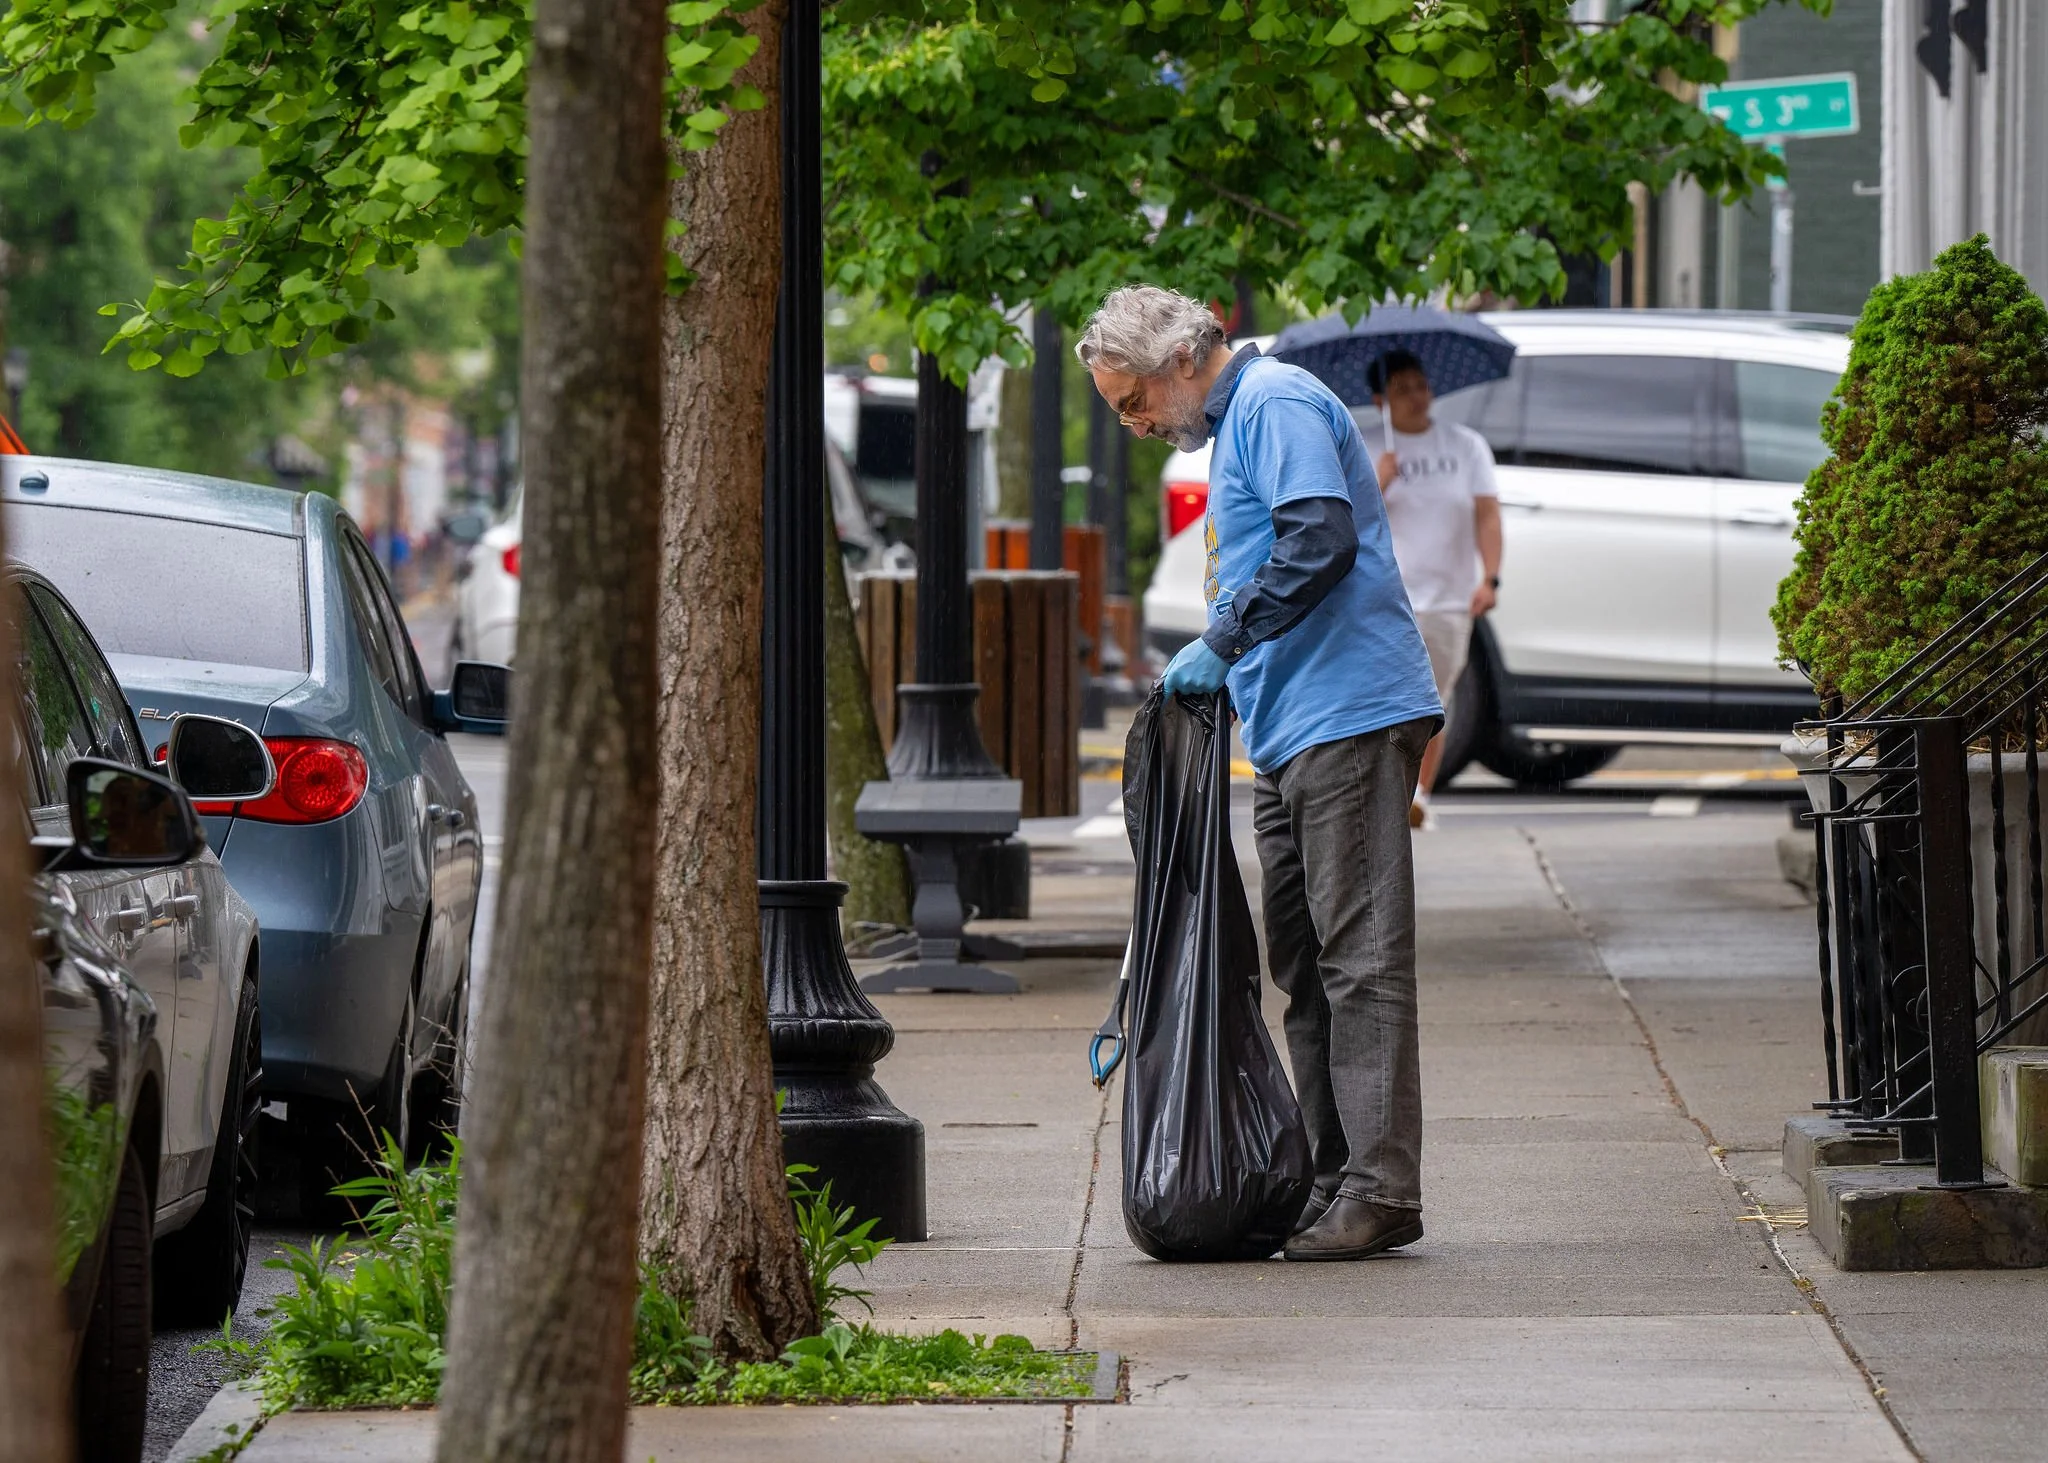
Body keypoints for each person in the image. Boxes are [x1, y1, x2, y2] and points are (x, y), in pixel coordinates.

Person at [1076, 285, 1442, 1262]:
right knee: (1306, 965)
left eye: (1131, 402)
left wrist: (1220, 638)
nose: (1138, 424)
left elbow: (1319, 536)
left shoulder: (1272, 401)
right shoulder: (1241, 422)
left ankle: (1379, 1187)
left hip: (1347, 712)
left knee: (1355, 958)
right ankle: (1331, 1176)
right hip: (1292, 724)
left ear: (1180, 361)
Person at [1364, 350, 1503, 830]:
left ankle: (1418, 794)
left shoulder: (1465, 446)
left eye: (1420, 386)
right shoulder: (1367, 450)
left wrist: (1491, 576)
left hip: (1448, 599)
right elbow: (1344, 523)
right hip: (1388, 599)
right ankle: (1389, 793)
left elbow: (1487, 513)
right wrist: (1375, 483)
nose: (1417, 397)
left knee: (1434, 701)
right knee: (1385, 700)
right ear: (1380, 400)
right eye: (1402, 389)